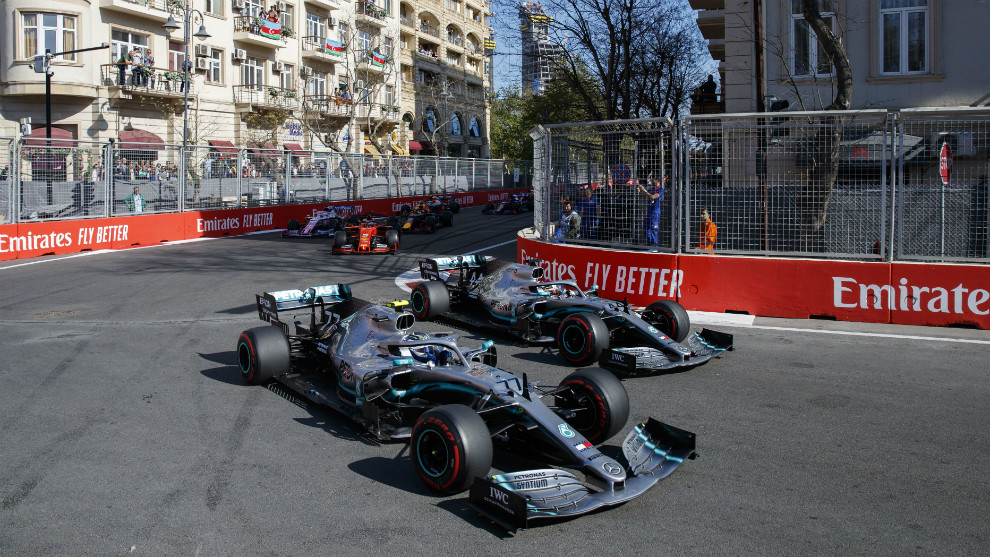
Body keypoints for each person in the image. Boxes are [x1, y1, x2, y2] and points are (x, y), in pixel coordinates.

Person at [637, 177, 664, 248]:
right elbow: (643, 195)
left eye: (653, 179)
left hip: (655, 211)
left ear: (657, 180)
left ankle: (655, 245)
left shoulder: (660, 189)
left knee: (653, 228)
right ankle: (649, 244)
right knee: (645, 228)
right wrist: (639, 190)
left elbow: (653, 197)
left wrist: (644, 190)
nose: (651, 181)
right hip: (648, 211)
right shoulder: (651, 188)